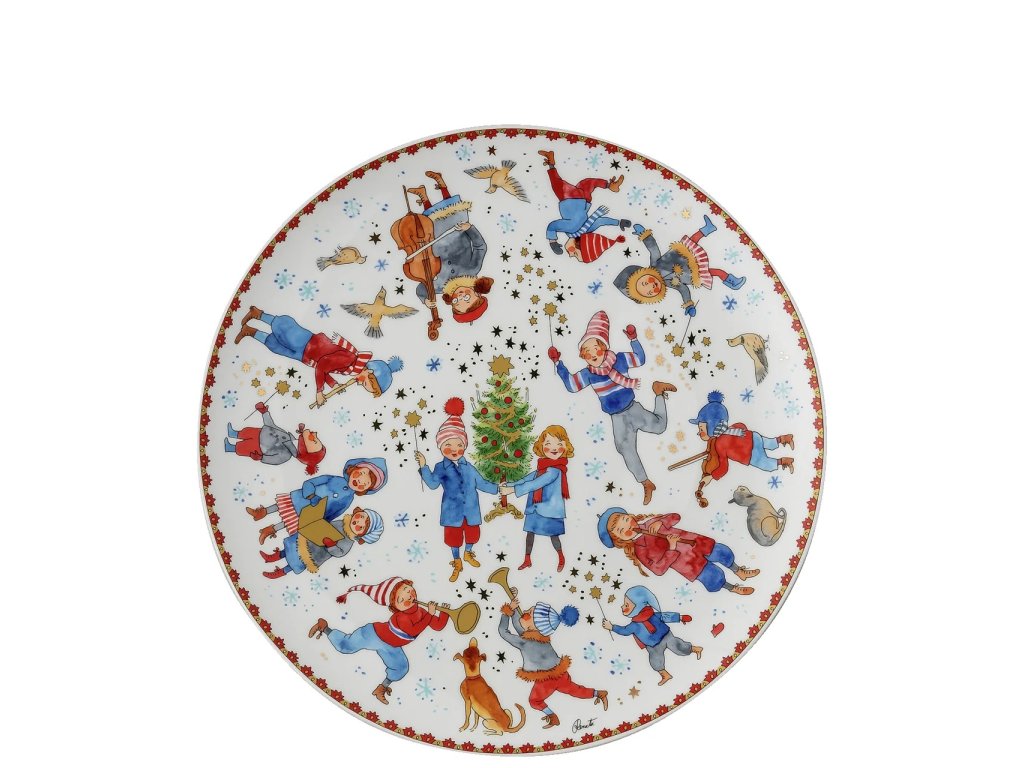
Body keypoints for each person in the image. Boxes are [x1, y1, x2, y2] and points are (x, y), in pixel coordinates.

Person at [549, 310, 675, 504]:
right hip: (616, 417)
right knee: (624, 448)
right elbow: (572, 386)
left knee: (659, 427)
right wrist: (558, 363)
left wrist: (634, 339)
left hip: (632, 408)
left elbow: (640, 359)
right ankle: (646, 482)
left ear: (604, 347)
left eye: (595, 349)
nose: (592, 355)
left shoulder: (619, 359)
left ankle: (658, 392)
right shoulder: (589, 373)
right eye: (586, 352)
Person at [309, 577, 449, 705]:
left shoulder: (421, 612)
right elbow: (413, 630)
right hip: (373, 634)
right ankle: (324, 627)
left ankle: (381, 689)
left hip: (391, 646)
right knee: (346, 646)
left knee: (401, 667)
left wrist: (445, 612)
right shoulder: (400, 617)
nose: (408, 596)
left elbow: (437, 626)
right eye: (401, 599)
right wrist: (430, 614)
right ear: (395, 606)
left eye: (408, 589)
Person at [234, 306, 402, 403]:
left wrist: (333, 384)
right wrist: (319, 391)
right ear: (369, 372)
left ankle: (250, 331)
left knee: (276, 346)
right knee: (285, 331)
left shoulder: (351, 369)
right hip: (308, 343)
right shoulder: (350, 359)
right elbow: (323, 365)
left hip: (306, 357)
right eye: (366, 384)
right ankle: (259, 314)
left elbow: (327, 369)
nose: (361, 385)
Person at [415, 398, 499, 582]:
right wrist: (423, 467)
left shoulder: (469, 467)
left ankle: (468, 553)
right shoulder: (441, 467)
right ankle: (457, 561)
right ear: (441, 447)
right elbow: (432, 484)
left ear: (464, 446)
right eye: (448, 445)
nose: (454, 449)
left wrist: (498, 489)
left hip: (471, 510)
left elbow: (482, 483)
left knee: (473, 534)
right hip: (452, 512)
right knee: (453, 538)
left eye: (459, 445)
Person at [498, 595, 607, 729]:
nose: (524, 612)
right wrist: (512, 609)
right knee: (574, 689)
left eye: (529, 613)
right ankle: (598, 693)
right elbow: (520, 626)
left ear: (534, 626)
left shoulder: (524, 642)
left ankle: (552, 717)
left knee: (534, 700)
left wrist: (507, 613)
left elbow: (503, 632)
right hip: (560, 673)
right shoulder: (541, 636)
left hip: (546, 680)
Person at [598, 507, 760, 595]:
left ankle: (739, 571)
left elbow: (676, 516)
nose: (628, 526)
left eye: (626, 519)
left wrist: (661, 522)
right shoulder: (640, 551)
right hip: (689, 564)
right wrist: (671, 548)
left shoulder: (651, 523)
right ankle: (733, 588)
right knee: (713, 577)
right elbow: (658, 570)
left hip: (697, 543)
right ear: (620, 540)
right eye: (621, 530)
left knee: (723, 552)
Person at [406, 172, 493, 324]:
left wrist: (425, 300)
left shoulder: (440, 287)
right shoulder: (472, 270)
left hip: (434, 238)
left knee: (430, 218)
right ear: (477, 294)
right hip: (456, 230)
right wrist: (469, 228)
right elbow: (480, 247)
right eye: (467, 298)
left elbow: (421, 288)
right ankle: (441, 183)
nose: (460, 297)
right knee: (450, 207)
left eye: (457, 302)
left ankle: (423, 195)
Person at [614, 218, 745, 315]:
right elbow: (683, 289)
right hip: (692, 273)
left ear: (640, 274)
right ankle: (732, 281)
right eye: (649, 292)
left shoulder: (654, 265)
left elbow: (653, 249)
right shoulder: (668, 283)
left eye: (644, 283)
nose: (651, 286)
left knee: (691, 241)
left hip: (680, 255)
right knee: (714, 272)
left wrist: (645, 235)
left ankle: (707, 229)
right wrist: (689, 305)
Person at [246, 457, 387, 545]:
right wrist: (310, 494)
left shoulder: (348, 499)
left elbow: (334, 514)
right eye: (359, 474)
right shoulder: (335, 479)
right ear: (352, 470)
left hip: (311, 512)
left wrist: (320, 522)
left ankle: (269, 530)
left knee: (289, 520)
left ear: (365, 489)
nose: (359, 481)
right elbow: (312, 482)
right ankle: (262, 512)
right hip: (303, 498)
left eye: (364, 483)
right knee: (282, 506)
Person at [689, 391, 794, 505]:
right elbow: (741, 425)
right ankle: (785, 439)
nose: (699, 433)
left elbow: (724, 467)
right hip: (753, 436)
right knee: (768, 442)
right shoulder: (729, 430)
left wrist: (711, 477)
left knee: (766, 464)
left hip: (750, 454)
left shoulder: (719, 444)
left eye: (701, 429)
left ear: (711, 426)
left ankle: (784, 461)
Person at [500, 425, 573, 572]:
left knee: (554, 536)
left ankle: (561, 557)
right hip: (535, 508)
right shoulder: (542, 468)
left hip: (550, 511)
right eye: (548, 444)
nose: (553, 448)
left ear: (565, 446)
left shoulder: (555, 470)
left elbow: (536, 483)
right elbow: (526, 479)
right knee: (530, 534)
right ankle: (527, 559)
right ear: (541, 446)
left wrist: (512, 490)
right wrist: (509, 485)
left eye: (559, 444)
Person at [601, 585, 700, 686]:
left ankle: (694, 649)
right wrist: (612, 627)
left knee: (678, 646)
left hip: (666, 636)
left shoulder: (651, 614)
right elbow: (624, 631)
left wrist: (680, 617)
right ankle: (665, 675)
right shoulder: (634, 625)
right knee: (655, 661)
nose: (622, 607)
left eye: (626, 605)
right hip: (653, 646)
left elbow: (665, 616)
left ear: (638, 605)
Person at [538, 150, 629, 254]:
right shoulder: (575, 229)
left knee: (586, 183)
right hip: (573, 199)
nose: (570, 250)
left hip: (581, 201)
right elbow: (552, 226)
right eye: (573, 252)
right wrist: (553, 242)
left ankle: (609, 185)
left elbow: (600, 221)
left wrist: (619, 222)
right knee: (560, 184)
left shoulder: (576, 230)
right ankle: (609, 185)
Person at [260, 503, 383, 579]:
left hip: (316, 554)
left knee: (296, 562)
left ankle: (281, 572)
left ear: (362, 536)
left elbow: (340, 553)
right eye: (361, 516)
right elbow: (328, 526)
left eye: (360, 527)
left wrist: (331, 546)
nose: (357, 522)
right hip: (311, 540)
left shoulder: (348, 542)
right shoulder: (342, 522)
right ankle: (273, 557)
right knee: (291, 549)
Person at [224, 400, 324, 474]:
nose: (314, 434)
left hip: (260, 447)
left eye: (313, 440)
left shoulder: (286, 455)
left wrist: (261, 458)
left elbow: (275, 460)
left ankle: (230, 448)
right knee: (247, 431)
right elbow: (272, 426)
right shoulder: (289, 437)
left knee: (244, 447)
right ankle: (233, 434)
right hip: (261, 432)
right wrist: (264, 413)